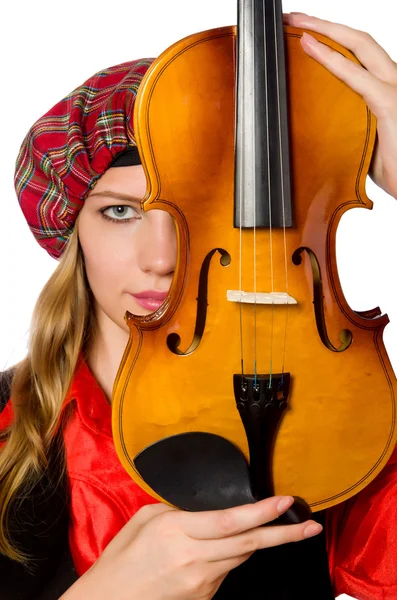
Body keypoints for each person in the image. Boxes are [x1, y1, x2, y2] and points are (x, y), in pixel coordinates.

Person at [0, 11, 396, 600]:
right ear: (71, 230)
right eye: (120, 212)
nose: (160, 259)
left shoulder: (334, 430)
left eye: (199, 213)